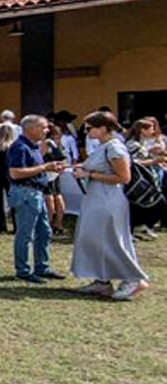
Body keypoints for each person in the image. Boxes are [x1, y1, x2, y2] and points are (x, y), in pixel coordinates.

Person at [71, 111, 150, 300]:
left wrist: (89, 175)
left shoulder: (115, 148)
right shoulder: (103, 146)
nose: (86, 132)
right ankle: (102, 280)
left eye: (90, 128)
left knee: (112, 241)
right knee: (94, 239)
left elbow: (123, 177)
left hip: (108, 200)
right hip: (96, 199)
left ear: (103, 128)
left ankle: (133, 278)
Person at [7, 115, 67, 283]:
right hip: (25, 193)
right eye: (44, 127)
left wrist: (51, 168)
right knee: (25, 234)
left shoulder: (33, 147)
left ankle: (42, 266)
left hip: (36, 192)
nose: (47, 130)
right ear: (31, 128)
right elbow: (15, 172)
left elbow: (34, 169)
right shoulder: (20, 147)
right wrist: (44, 167)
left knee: (44, 231)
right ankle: (23, 270)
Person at [41, 123, 69, 235]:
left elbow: (39, 158)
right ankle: (58, 224)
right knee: (57, 196)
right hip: (56, 173)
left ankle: (48, 223)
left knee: (50, 199)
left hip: (47, 173)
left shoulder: (47, 144)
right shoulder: (59, 145)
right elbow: (64, 159)